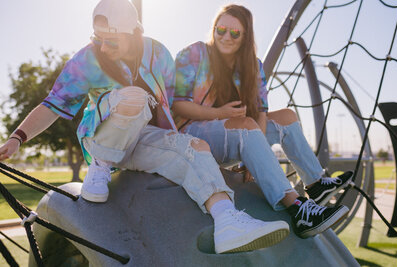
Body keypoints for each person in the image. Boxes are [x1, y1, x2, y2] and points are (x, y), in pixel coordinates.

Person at [0, 0, 293, 254]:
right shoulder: (87, 59)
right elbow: (53, 104)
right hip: (103, 137)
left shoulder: (159, 54)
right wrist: (17, 139)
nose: (103, 46)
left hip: (143, 141)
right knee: (135, 98)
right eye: (97, 38)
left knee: (195, 147)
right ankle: (101, 166)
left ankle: (228, 221)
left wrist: (179, 143)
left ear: (133, 33)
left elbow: (165, 107)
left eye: (111, 40)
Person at [173, 4, 352, 239]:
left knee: (287, 116)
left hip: (236, 134)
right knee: (247, 125)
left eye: (235, 33)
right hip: (194, 137)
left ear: (245, 37)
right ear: (214, 29)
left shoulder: (252, 66)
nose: (226, 37)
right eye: (221, 29)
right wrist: (221, 113)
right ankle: (298, 209)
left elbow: (261, 113)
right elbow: (178, 105)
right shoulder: (195, 54)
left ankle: (315, 183)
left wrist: (255, 154)